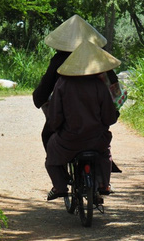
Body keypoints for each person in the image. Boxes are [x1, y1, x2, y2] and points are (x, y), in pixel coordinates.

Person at [44, 41, 121, 201]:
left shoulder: (62, 84)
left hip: (69, 140)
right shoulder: (99, 86)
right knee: (105, 153)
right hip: (96, 140)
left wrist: (57, 129)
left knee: (51, 154)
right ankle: (104, 184)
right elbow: (109, 117)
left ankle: (60, 186)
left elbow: (55, 117)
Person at [33, 14, 107, 149]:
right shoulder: (98, 59)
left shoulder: (58, 60)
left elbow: (46, 86)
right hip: (96, 121)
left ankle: (59, 167)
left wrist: (38, 98)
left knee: (47, 135)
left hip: (68, 120)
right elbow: (113, 86)